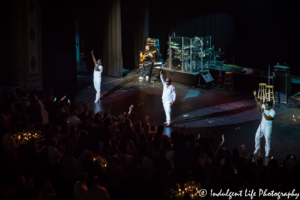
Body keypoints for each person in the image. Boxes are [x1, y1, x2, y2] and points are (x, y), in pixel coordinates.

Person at [253, 90, 276, 157]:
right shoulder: (264, 107)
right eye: (265, 105)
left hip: (268, 127)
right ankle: (257, 148)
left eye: (266, 106)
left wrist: (263, 112)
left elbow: (268, 118)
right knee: (257, 136)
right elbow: (258, 101)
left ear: (270, 106)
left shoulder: (273, 112)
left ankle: (267, 152)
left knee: (267, 140)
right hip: (262, 125)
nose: (265, 107)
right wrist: (255, 95)